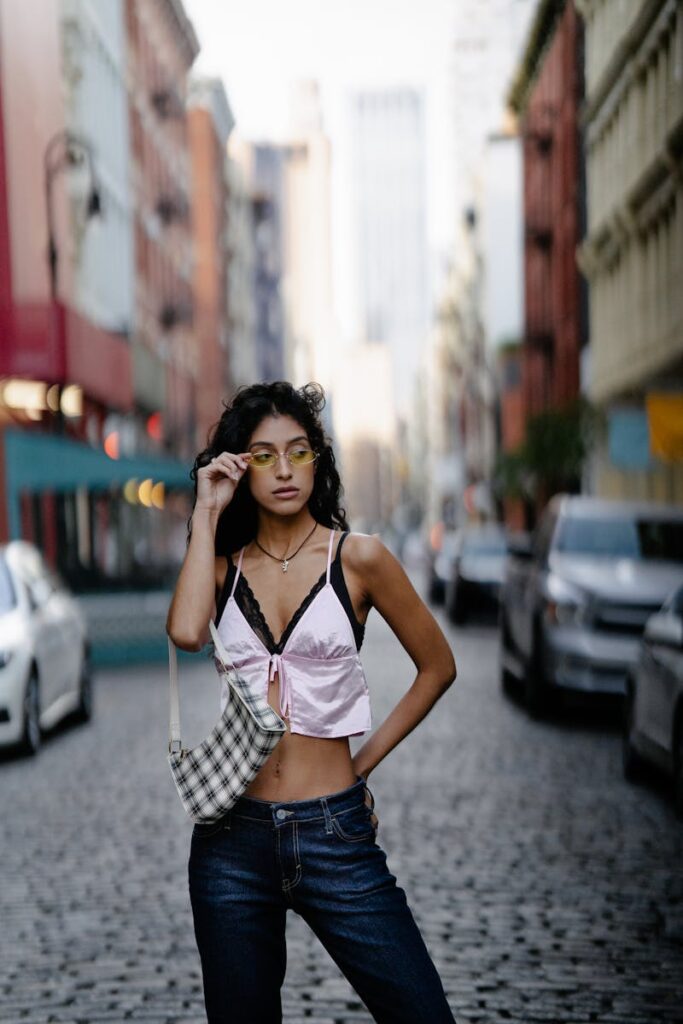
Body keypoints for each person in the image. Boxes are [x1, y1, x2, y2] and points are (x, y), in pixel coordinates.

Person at [166, 381, 458, 1024]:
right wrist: (205, 512)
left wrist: (360, 767)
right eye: (264, 455)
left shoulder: (360, 558)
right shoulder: (221, 567)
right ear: (241, 467)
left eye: (298, 451)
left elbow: (438, 667)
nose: (285, 468)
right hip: (229, 844)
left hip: (335, 833)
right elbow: (187, 632)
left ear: (318, 460)